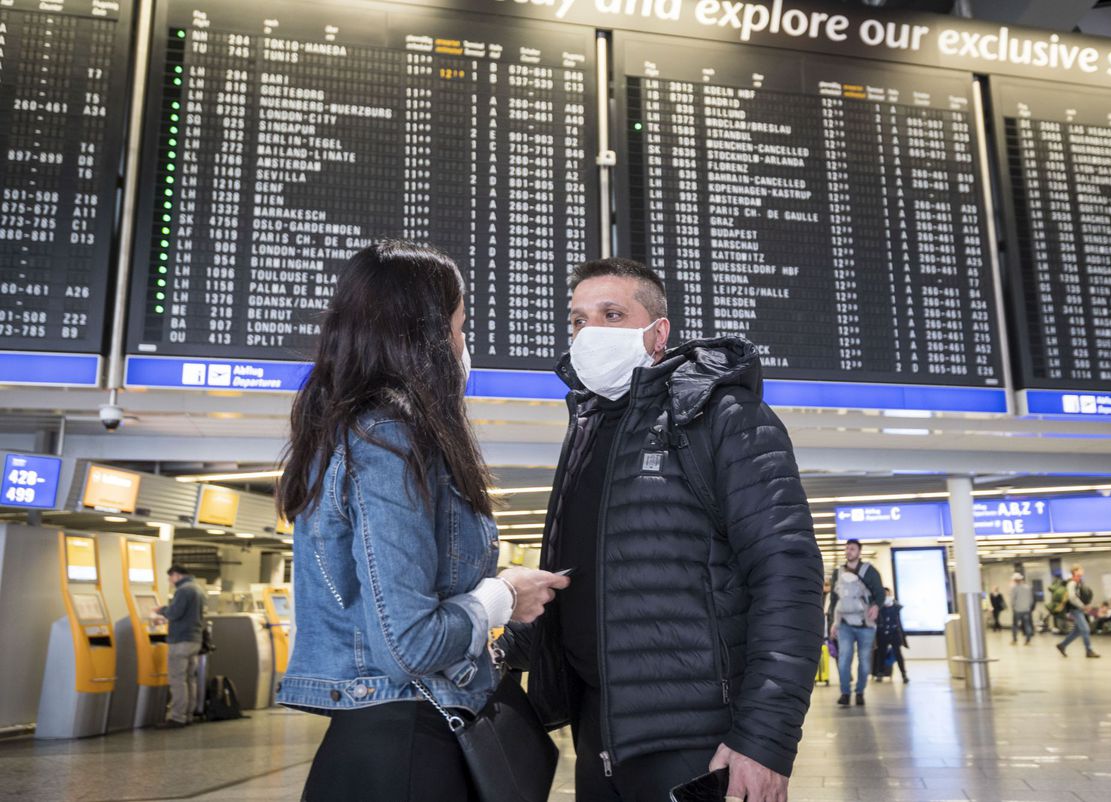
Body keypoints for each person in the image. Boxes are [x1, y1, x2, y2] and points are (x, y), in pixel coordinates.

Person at [509, 258, 824, 802]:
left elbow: (787, 578)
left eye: (612, 314)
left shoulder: (725, 417)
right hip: (599, 730)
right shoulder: (587, 429)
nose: (591, 333)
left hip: (697, 739)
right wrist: (508, 642)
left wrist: (766, 739)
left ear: (657, 333)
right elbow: (589, 579)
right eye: (579, 320)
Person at [275, 241, 569, 802]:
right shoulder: (388, 439)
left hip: (390, 740)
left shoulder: (344, 433)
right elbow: (409, 642)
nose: (463, 343)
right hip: (409, 751)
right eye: (459, 325)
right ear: (425, 335)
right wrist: (504, 594)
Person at [828, 539, 886, 707]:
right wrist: (833, 622)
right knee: (844, 659)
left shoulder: (869, 571)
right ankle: (845, 693)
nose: (848, 552)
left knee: (865, 661)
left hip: (865, 624)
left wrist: (876, 606)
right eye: (847, 549)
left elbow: (880, 594)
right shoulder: (837, 573)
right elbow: (834, 599)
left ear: (859, 552)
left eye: (852, 549)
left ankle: (860, 691)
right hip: (844, 624)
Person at [155, 564, 207, 728]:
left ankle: (177, 717)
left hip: (180, 641)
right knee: (189, 679)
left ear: (176, 575)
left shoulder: (184, 590)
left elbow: (174, 613)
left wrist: (161, 610)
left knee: (177, 680)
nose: (170, 582)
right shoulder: (198, 589)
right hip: (194, 640)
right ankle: (188, 714)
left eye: (170, 578)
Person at [1056, 564, 1100, 659]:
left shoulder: (1079, 582)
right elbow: (1072, 598)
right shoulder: (1072, 583)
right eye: (1080, 569)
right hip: (1075, 610)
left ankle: (1062, 645)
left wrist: (1086, 605)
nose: (1082, 571)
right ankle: (1089, 651)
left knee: (1078, 631)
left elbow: (1082, 595)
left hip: (1079, 609)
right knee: (1086, 629)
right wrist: (1083, 606)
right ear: (1075, 571)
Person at [872, 588, 909, 684]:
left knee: (898, 654)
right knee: (881, 654)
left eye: (888, 594)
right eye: (884, 595)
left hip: (894, 633)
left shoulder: (896, 607)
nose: (886, 597)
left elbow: (899, 622)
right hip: (882, 633)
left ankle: (904, 674)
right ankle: (880, 673)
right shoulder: (878, 607)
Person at [1010, 573, 1034, 645]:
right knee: (1027, 624)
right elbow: (1031, 599)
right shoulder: (1028, 587)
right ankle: (1028, 640)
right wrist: (1028, 606)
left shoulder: (1014, 588)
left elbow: (1012, 599)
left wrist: (1013, 607)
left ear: (1015, 580)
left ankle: (1014, 639)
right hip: (1026, 609)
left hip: (1017, 610)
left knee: (1015, 625)